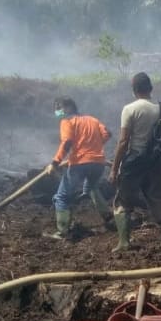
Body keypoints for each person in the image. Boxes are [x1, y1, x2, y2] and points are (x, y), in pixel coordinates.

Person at [108, 72, 161, 253]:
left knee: (122, 201)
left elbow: (123, 142)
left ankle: (124, 243)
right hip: (157, 163)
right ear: (151, 88)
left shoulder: (129, 110)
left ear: (134, 90)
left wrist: (114, 169)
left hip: (134, 162)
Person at [43, 97, 114, 240]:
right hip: (98, 163)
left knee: (62, 197)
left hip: (79, 164)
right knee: (92, 187)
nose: (57, 111)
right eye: (56, 108)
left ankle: (62, 232)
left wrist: (54, 163)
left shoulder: (67, 121)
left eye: (59, 107)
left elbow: (67, 142)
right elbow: (107, 134)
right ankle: (108, 217)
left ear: (69, 107)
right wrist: (94, 147)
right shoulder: (92, 119)